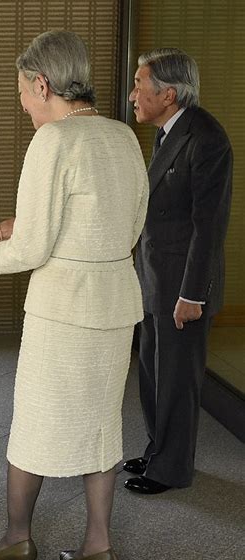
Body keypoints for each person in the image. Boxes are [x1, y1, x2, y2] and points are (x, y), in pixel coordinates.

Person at [0, 31, 148, 560]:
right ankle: (98, 545)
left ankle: (17, 539)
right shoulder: (123, 138)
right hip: (114, 304)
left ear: (43, 83)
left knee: (34, 425)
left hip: (63, 311)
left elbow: (32, 246)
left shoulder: (54, 141)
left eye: (24, 95)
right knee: (102, 428)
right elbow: (133, 226)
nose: (24, 107)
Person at [123, 49, 233, 495]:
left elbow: (208, 228)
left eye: (139, 85)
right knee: (152, 371)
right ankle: (158, 450)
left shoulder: (207, 139)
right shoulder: (169, 132)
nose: (133, 94)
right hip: (155, 277)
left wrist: (193, 294)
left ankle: (172, 469)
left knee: (177, 381)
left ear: (168, 94)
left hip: (183, 286)